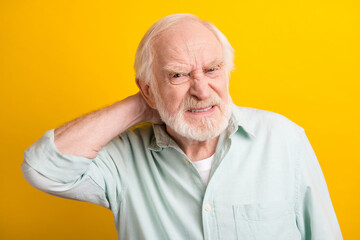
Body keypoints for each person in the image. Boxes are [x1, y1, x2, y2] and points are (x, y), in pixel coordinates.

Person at [21, 13, 343, 240]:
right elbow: (42, 168)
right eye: (178, 75)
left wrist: (168, 90)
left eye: (212, 69)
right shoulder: (123, 160)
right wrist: (142, 106)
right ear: (147, 89)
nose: (201, 90)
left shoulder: (283, 139)